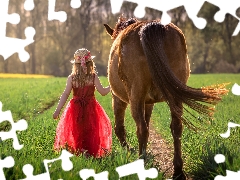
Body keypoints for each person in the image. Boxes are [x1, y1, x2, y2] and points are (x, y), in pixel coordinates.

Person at [53, 48, 112, 158]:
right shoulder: (93, 77)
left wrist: (58, 110)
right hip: (91, 107)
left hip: (75, 108)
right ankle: (88, 152)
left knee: (77, 130)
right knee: (91, 129)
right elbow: (103, 92)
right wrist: (112, 86)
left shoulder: (72, 78)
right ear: (91, 64)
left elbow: (65, 94)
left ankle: (80, 150)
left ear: (75, 65)